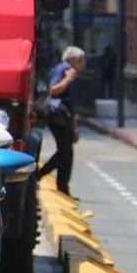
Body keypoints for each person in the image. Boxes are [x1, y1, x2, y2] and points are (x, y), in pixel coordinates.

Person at [36, 46, 84, 195]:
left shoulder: (72, 72)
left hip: (65, 116)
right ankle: (39, 175)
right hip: (57, 115)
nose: (82, 64)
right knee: (65, 152)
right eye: (80, 61)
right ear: (72, 59)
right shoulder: (64, 68)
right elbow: (53, 90)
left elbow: (72, 104)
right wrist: (68, 79)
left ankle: (63, 187)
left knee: (67, 152)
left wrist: (74, 128)